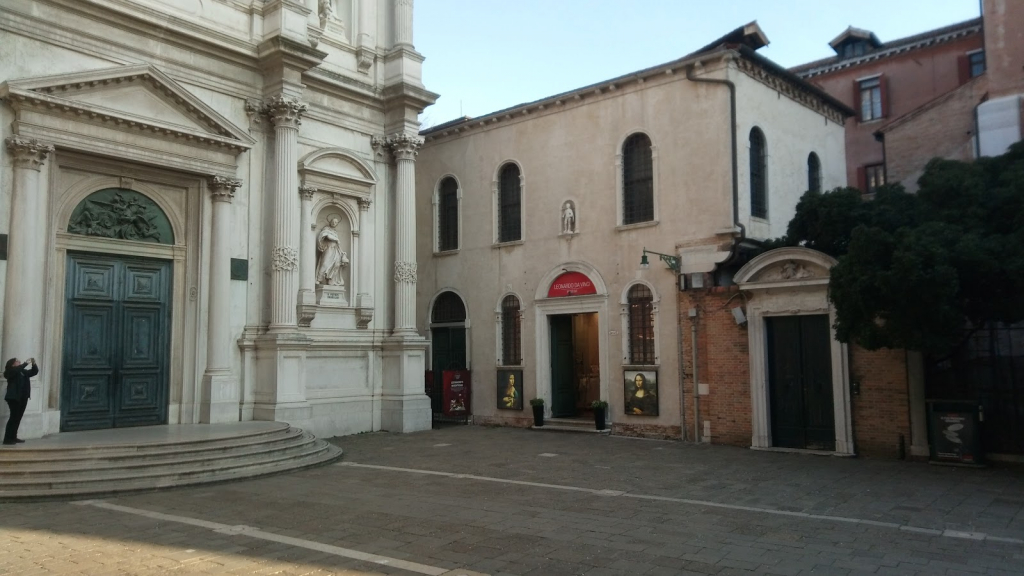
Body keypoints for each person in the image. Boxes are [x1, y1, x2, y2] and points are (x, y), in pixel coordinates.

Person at [4, 357, 38, 445]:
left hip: (23, 397)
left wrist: (34, 364)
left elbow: (34, 372)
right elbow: (15, 371)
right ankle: (7, 439)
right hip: (14, 398)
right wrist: (25, 363)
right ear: (12, 364)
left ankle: (13, 436)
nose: (19, 362)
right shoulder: (9, 371)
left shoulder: (23, 372)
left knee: (18, 418)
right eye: (17, 361)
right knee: (13, 418)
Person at [315, 216, 349, 286]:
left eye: (336, 222)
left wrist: (342, 252)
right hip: (328, 249)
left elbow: (338, 244)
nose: (334, 223)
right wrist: (336, 239)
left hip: (335, 250)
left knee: (335, 265)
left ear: (337, 224)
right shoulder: (326, 229)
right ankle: (319, 279)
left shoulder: (335, 232)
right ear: (330, 222)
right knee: (324, 264)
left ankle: (330, 280)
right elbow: (326, 235)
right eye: (333, 221)